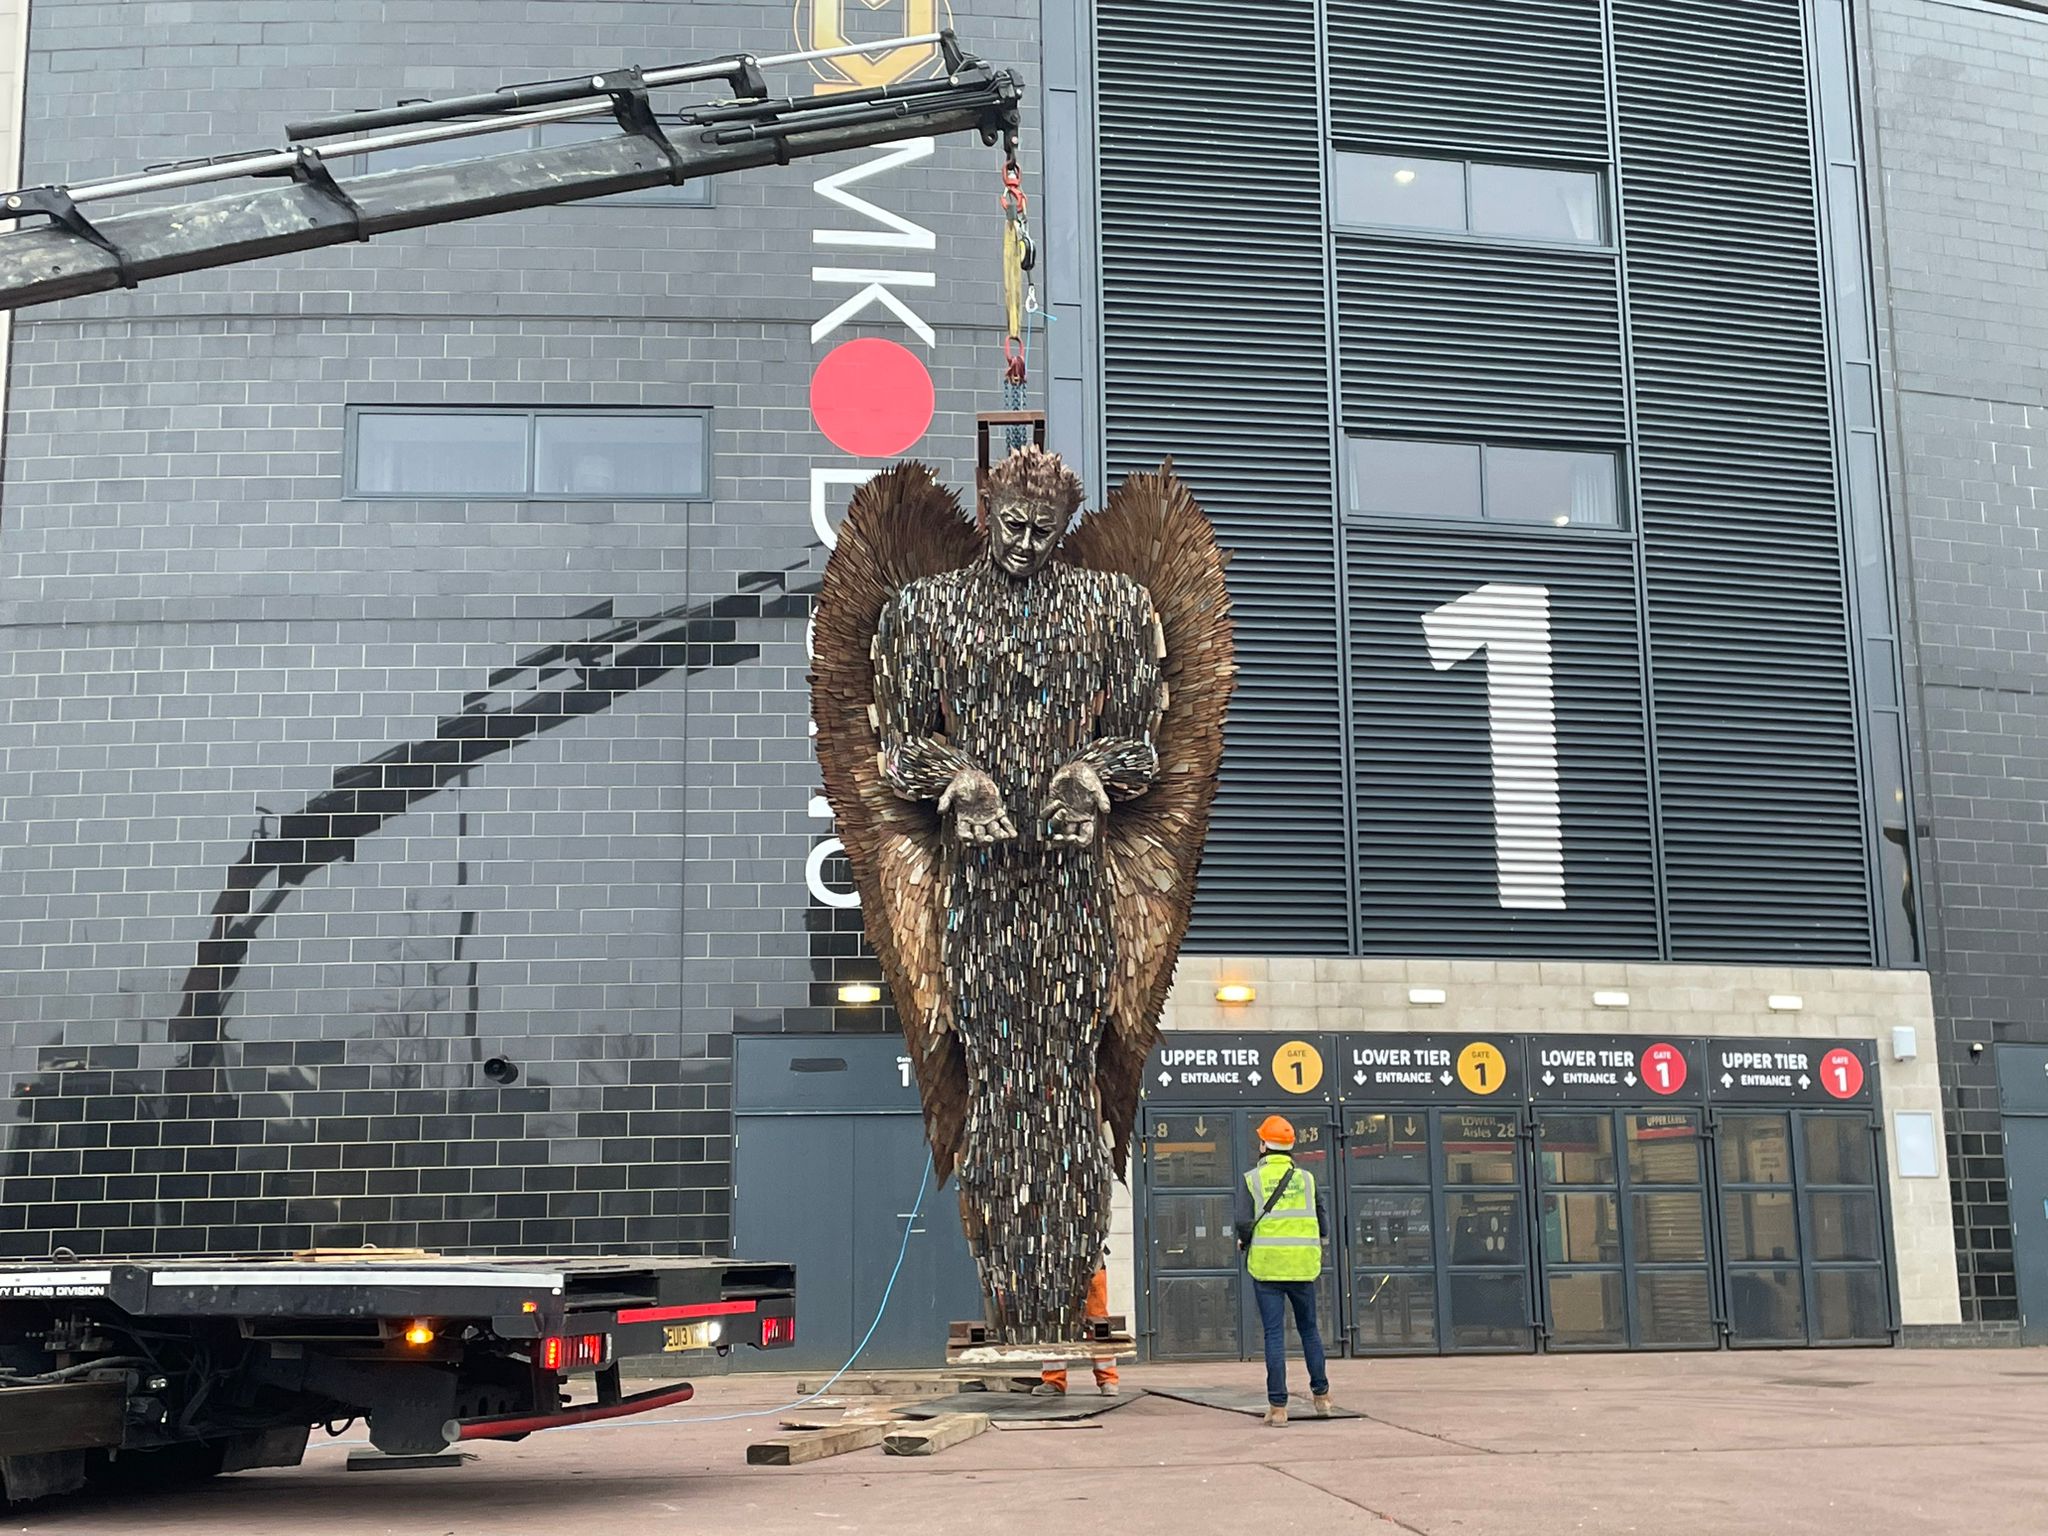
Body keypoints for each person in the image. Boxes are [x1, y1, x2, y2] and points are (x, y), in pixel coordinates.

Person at [1235, 1114, 1334, 1427]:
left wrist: (1244, 1241)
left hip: (1268, 1268)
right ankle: (1322, 1397)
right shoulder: (1307, 1179)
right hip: (1303, 1266)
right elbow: (1322, 1219)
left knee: (1274, 1334)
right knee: (1309, 1330)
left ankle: (1278, 1408)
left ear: (1264, 1145)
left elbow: (1242, 1222)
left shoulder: (1252, 1179)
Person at [1033, 1259, 1119, 1396]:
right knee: (1055, 1321)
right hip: (1058, 1267)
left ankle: (1108, 1379)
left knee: (1098, 1322)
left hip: (1091, 1267)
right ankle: (1054, 1380)